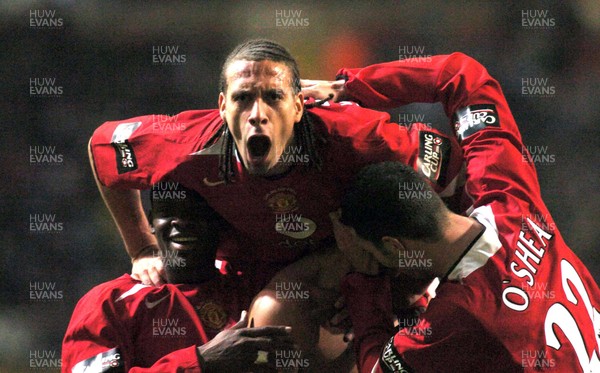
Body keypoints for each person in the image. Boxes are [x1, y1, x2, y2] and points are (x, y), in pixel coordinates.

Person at [88, 39, 464, 300]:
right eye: (242, 98)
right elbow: (102, 147)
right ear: (221, 106)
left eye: (273, 97)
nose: (256, 115)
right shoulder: (184, 143)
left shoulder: (358, 139)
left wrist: (415, 278)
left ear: (299, 106)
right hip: (254, 272)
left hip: (348, 265)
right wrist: (141, 248)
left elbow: (450, 178)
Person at [323, 53, 600, 372]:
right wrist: (349, 87)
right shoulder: (508, 194)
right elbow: (460, 75)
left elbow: (376, 369)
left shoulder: (456, 318)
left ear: (396, 247)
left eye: (374, 255)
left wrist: (366, 280)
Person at [62, 185, 294, 372]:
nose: (181, 222)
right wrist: (202, 361)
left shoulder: (256, 284)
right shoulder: (110, 302)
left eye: (197, 211)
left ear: (220, 221)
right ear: (152, 221)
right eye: (168, 210)